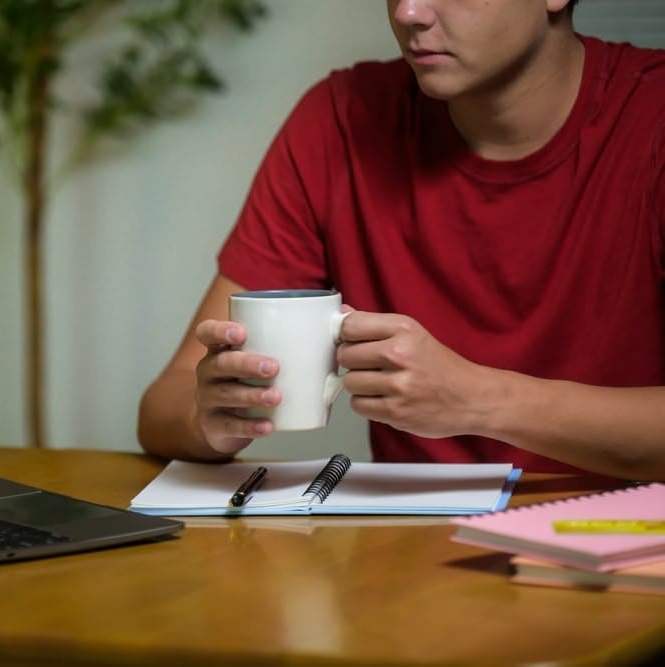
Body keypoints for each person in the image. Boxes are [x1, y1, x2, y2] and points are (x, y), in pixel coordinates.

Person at [137, 0, 665, 480]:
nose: (409, 12)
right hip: (413, 558)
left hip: (623, 551)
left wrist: (479, 400)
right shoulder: (340, 121)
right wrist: (216, 418)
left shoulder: (652, 117)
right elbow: (164, 407)